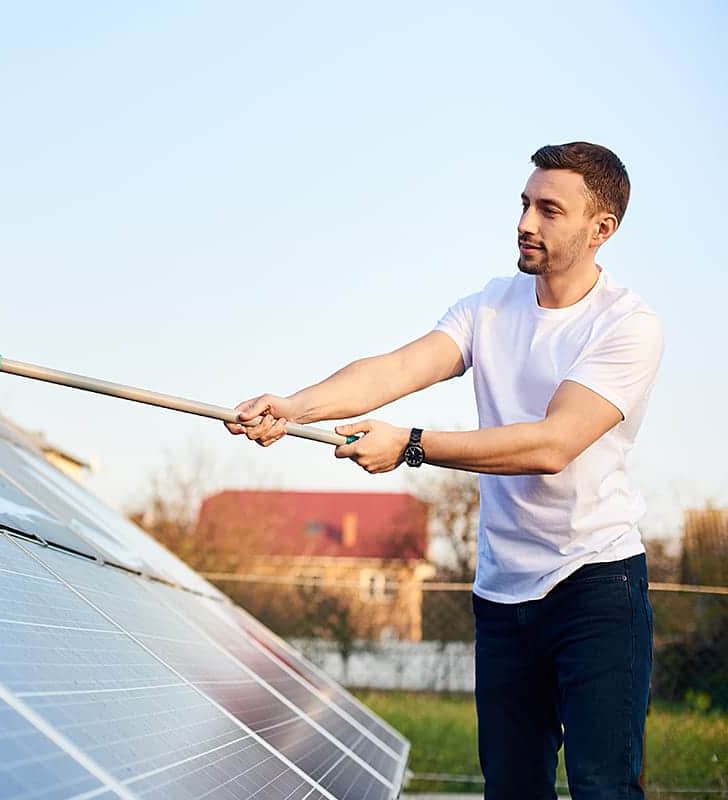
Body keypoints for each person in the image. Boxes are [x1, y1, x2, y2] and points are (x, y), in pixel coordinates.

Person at [226, 142, 662, 799]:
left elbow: (552, 444)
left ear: (602, 229)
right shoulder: (488, 306)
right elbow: (396, 369)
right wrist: (293, 407)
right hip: (502, 592)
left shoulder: (628, 326)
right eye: (524, 204)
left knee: (602, 787)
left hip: (596, 584)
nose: (525, 223)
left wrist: (411, 445)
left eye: (549, 210)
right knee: (512, 790)